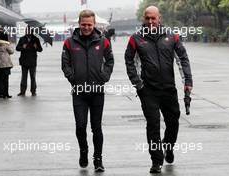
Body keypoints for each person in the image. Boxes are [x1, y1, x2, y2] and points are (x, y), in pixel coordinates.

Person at [124, 6, 193, 173]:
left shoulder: (173, 36)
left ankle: (168, 147)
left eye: (153, 18)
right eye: (147, 18)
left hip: (169, 89)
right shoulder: (135, 38)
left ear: (159, 18)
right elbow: (129, 62)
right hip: (148, 90)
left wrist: (187, 81)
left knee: (173, 123)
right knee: (153, 124)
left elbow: (182, 59)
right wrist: (138, 84)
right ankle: (156, 160)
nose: (150, 21)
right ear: (143, 18)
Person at [61, 9, 114, 172]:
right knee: (80, 126)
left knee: (96, 127)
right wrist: (73, 78)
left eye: (89, 24)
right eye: (83, 24)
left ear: (94, 24)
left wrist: (103, 77)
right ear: (79, 24)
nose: (86, 27)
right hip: (79, 92)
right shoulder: (69, 43)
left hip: (97, 91)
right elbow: (65, 64)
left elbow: (110, 61)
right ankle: (83, 151)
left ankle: (98, 159)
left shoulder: (103, 41)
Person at [16, 26, 43, 96]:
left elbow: (40, 49)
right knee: (24, 77)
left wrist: (36, 47)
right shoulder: (22, 39)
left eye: (28, 30)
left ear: (31, 31)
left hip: (32, 61)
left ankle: (33, 91)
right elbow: (17, 48)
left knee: (33, 77)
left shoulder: (36, 39)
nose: (26, 31)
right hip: (24, 61)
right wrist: (22, 47)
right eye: (26, 30)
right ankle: (22, 91)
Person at [0, 30, 14, 98]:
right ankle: (6, 94)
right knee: (6, 80)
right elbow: (12, 52)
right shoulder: (5, 44)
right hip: (6, 65)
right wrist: (9, 44)